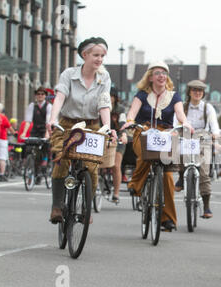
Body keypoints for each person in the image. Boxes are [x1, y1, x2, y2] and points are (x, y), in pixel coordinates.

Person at [46, 37, 115, 225]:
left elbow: (104, 104)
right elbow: (60, 97)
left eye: (102, 55)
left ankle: (86, 207)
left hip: (91, 126)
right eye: (96, 55)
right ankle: (57, 206)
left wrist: (107, 127)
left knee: (91, 167)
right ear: (85, 55)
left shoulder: (104, 77)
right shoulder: (69, 74)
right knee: (61, 159)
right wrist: (52, 119)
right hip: (68, 125)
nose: (99, 59)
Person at [121, 61, 194, 232]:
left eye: (164, 73)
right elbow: (132, 112)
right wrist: (130, 121)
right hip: (144, 131)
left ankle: (167, 219)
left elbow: (180, 114)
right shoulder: (141, 94)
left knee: (168, 177)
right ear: (150, 77)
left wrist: (186, 124)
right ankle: (136, 185)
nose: (161, 76)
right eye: (157, 73)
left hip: (165, 133)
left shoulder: (174, 96)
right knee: (147, 153)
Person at [174, 80, 221, 218]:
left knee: (204, 172)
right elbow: (175, 122)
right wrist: (174, 132)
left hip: (203, 139)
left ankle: (206, 206)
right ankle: (182, 178)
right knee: (178, 153)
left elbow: (214, 124)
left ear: (203, 93)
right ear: (189, 92)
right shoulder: (182, 106)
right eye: (194, 90)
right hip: (186, 136)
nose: (197, 93)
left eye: (200, 91)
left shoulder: (208, 108)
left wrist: (215, 135)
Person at [108, 87, 128, 203]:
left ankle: (116, 193)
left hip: (118, 138)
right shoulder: (99, 107)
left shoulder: (120, 109)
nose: (110, 99)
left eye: (112, 96)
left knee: (116, 165)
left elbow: (123, 124)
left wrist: (123, 135)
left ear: (115, 98)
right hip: (104, 138)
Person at [0, 103, 15, 181]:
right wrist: (14, 133)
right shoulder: (3, 118)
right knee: (2, 157)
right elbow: (10, 128)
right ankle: (2, 175)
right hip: (1, 139)